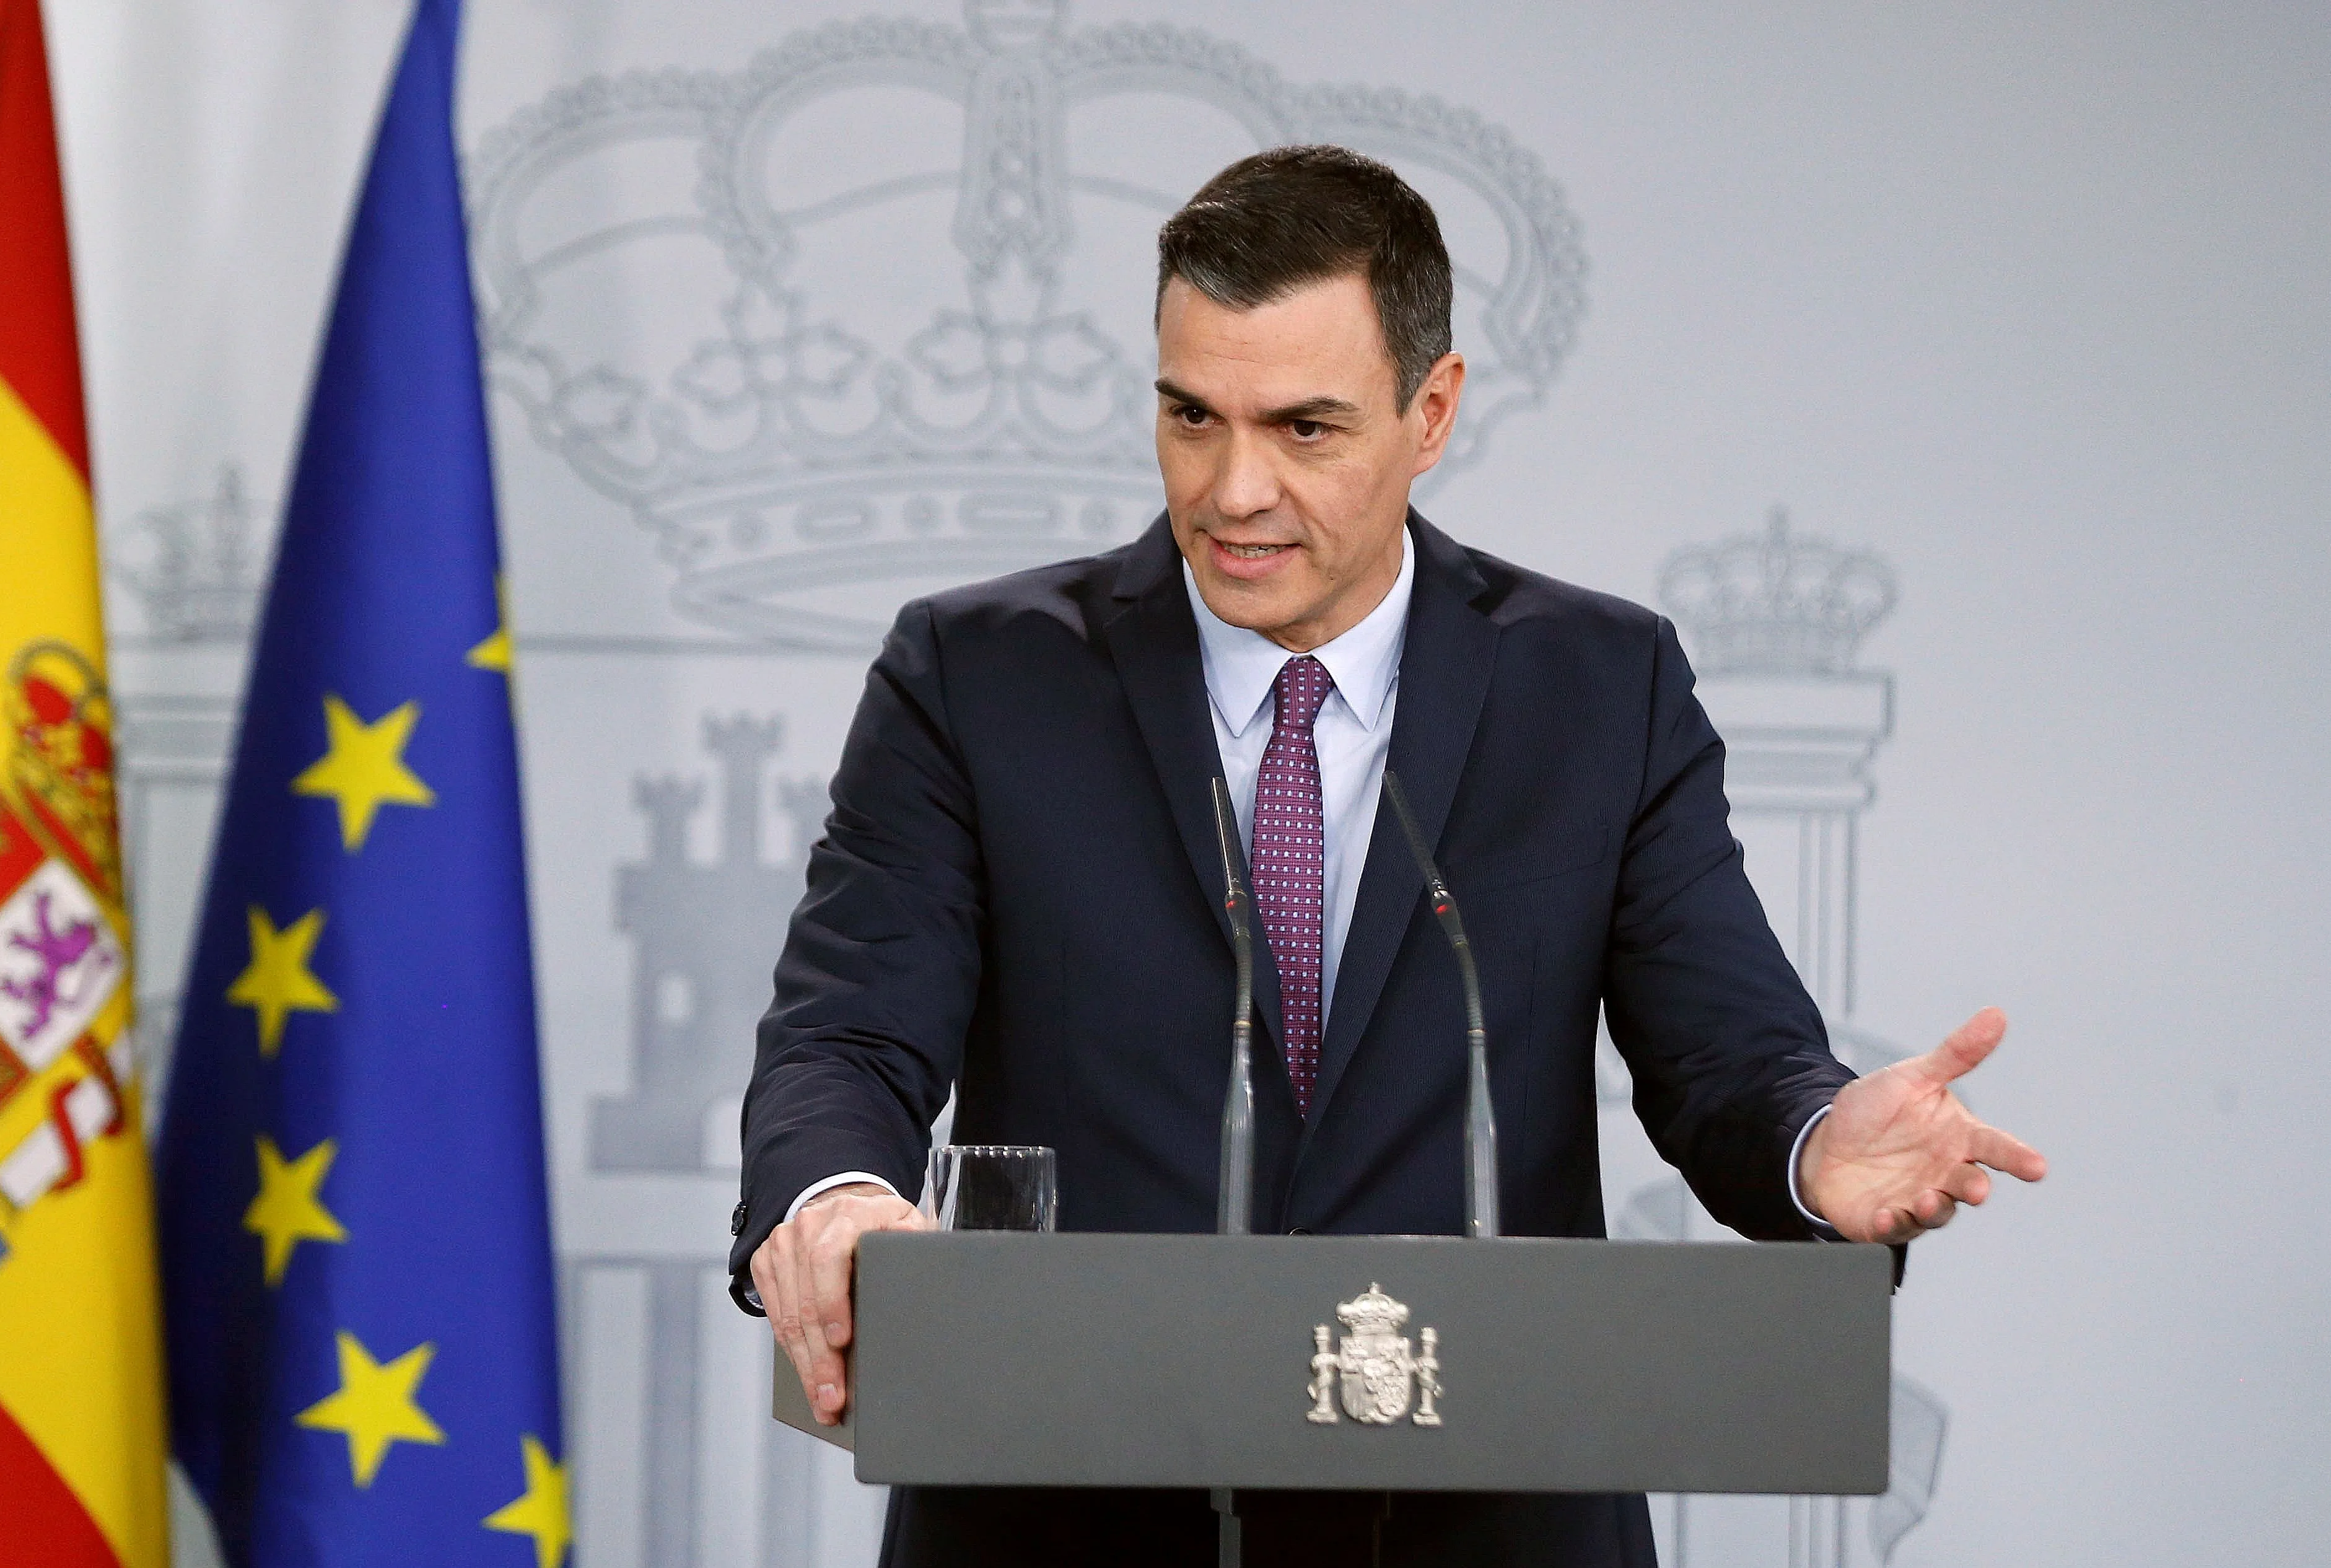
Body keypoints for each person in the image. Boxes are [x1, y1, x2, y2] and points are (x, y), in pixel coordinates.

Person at [728, 145, 2047, 1567]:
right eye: (1189, 416)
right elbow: (845, 1034)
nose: (1232, 490)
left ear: (1430, 412)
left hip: (1483, 1523)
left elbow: (1727, 1055)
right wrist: (837, 1196)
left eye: (1303, 429)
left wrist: (1812, 1138)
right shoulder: (977, 677)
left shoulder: (1600, 689)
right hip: (1070, 1517)